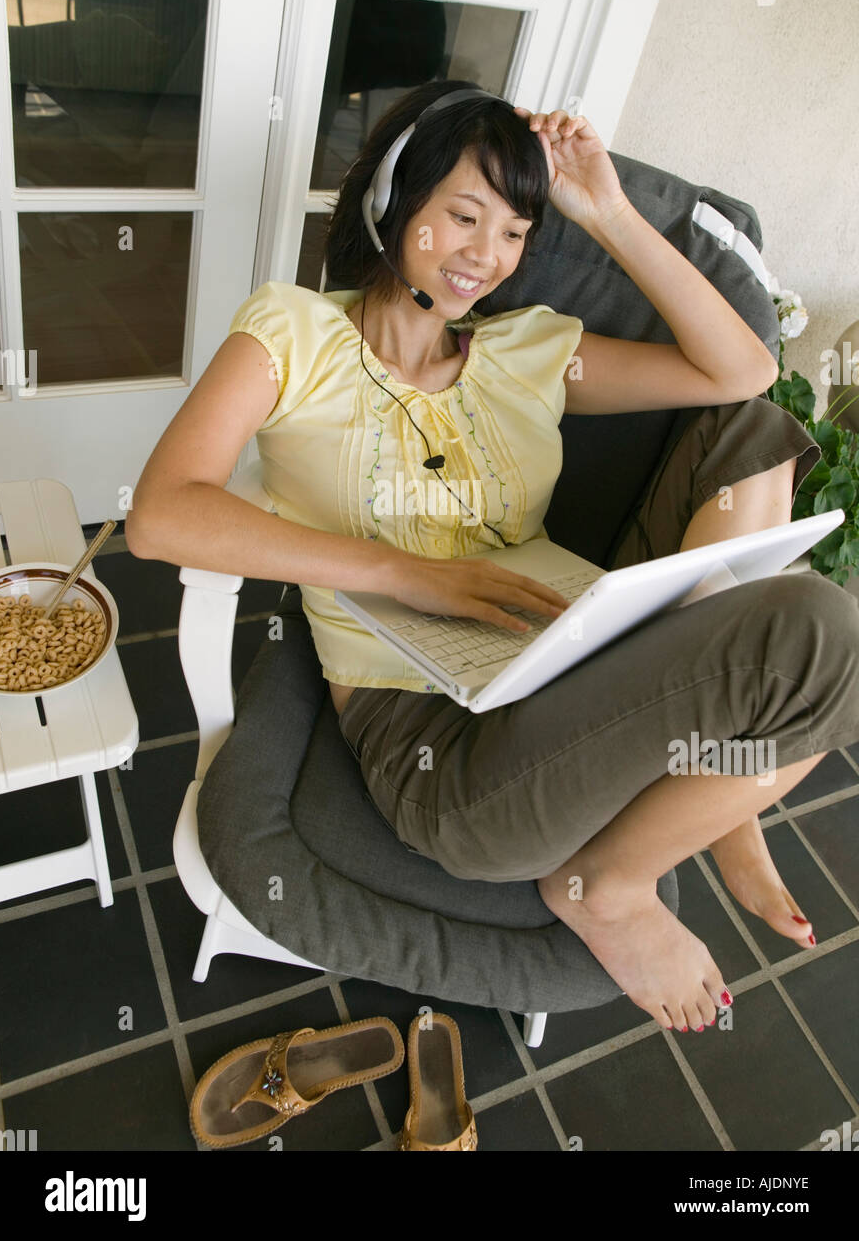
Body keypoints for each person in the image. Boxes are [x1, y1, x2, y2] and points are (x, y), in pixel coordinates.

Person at [126, 80, 859, 1035]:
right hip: (447, 751)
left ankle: (673, 824)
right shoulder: (291, 334)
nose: (487, 257)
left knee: (749, 431)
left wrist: (605, 210)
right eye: (463, 217)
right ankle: (628, 867)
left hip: (570, 662)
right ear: (394, 204)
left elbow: (743, 373)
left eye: (514, 231)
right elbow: (161, 514)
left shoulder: (529, 350)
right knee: (819, 635)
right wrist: (403, 572)